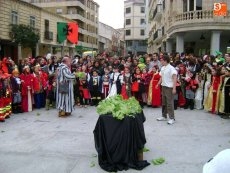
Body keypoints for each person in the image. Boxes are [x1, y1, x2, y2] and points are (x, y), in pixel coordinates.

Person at [156, 54, 177, 125]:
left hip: (169, 87)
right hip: (163, 87)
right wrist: (158, 84)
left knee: (169, 103)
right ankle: (164, 116)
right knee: (164, 102)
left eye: (161, 60)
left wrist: (174, 88)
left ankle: (172, 118)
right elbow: (161, 77)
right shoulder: (162, 68)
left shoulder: (171, 68)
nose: (160, 61)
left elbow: (175, 79)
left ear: (165, 60)